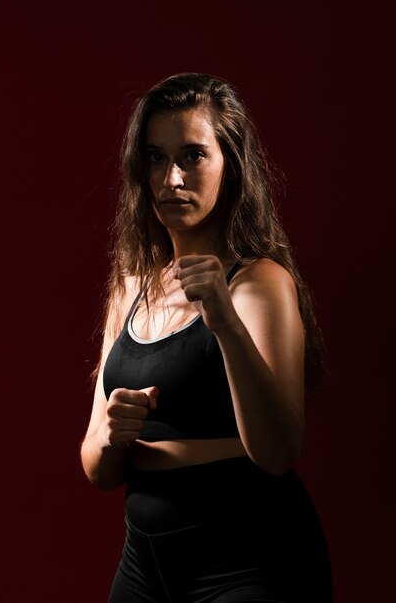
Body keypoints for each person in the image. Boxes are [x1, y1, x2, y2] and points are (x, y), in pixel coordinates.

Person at [80, 72, 333, 603]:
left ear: (230, 166)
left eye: (193, 155)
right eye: (154, 157)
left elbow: (278, 451)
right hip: (144, 560)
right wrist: (113, 432)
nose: (171, 177)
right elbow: (98, 468)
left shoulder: (259, 283)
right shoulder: (130, 286)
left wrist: (224, 319)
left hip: (248, 558)